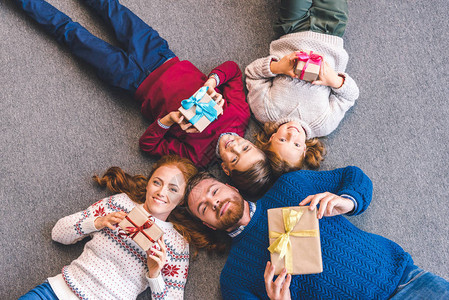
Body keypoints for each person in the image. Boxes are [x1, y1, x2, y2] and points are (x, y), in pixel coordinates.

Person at [15, 0, 272, 196]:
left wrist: (169, 120)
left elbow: (148, 146)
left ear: (226, 169)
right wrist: (212, 82)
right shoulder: (239, 114)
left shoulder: (196, 158)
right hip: (160, 55)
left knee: (70, 34)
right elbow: (232, 70)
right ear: (253, 143)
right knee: (110, 7)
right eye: (246, 147)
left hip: (131, 80)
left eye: (235, 158)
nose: (235, 146)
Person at [185, 167, 449, 299]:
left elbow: (353, 176)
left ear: (232, 187)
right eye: (203, 207)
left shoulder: (291, 185)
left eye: (214, 191)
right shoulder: (233, 279)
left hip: (406, 282)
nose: (214, 202)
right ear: (207, 224)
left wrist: (347, 201)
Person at [19, 155, 198, 300]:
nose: (161, 192)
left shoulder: (177, 244)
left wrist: (154, 274)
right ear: (149, 183)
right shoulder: (119, 203)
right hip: (56, 293)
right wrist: (97, 222)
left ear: (182, 200)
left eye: (173, 189)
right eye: (157, 182)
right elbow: (57, 233)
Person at [245, 0, 359, 176]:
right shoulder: (323, 125)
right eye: (297, 144)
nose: (292, 135)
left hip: (292, 31)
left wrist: (277, 68)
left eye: (283, 140)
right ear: (305, 150)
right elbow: (350, 96)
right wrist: (334, 80)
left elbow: (252, 73)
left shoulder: (264, 113)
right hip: (331, 33)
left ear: (271, 138)